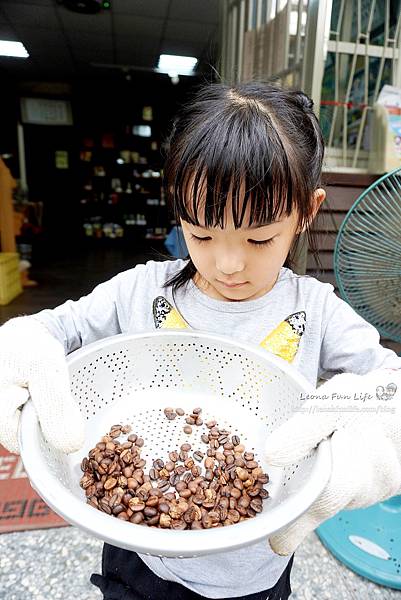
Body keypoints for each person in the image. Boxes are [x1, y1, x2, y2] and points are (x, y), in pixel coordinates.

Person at [1, 81, 400, 600]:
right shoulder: (141, 289)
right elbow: (52, 329)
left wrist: (377, 433)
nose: (228, 264)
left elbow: (387, 384)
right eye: (202, 233)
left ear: (306, 210)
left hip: (259, 566)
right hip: (138, 558)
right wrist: (21, 343)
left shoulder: (317, 309)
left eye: (259, 238)